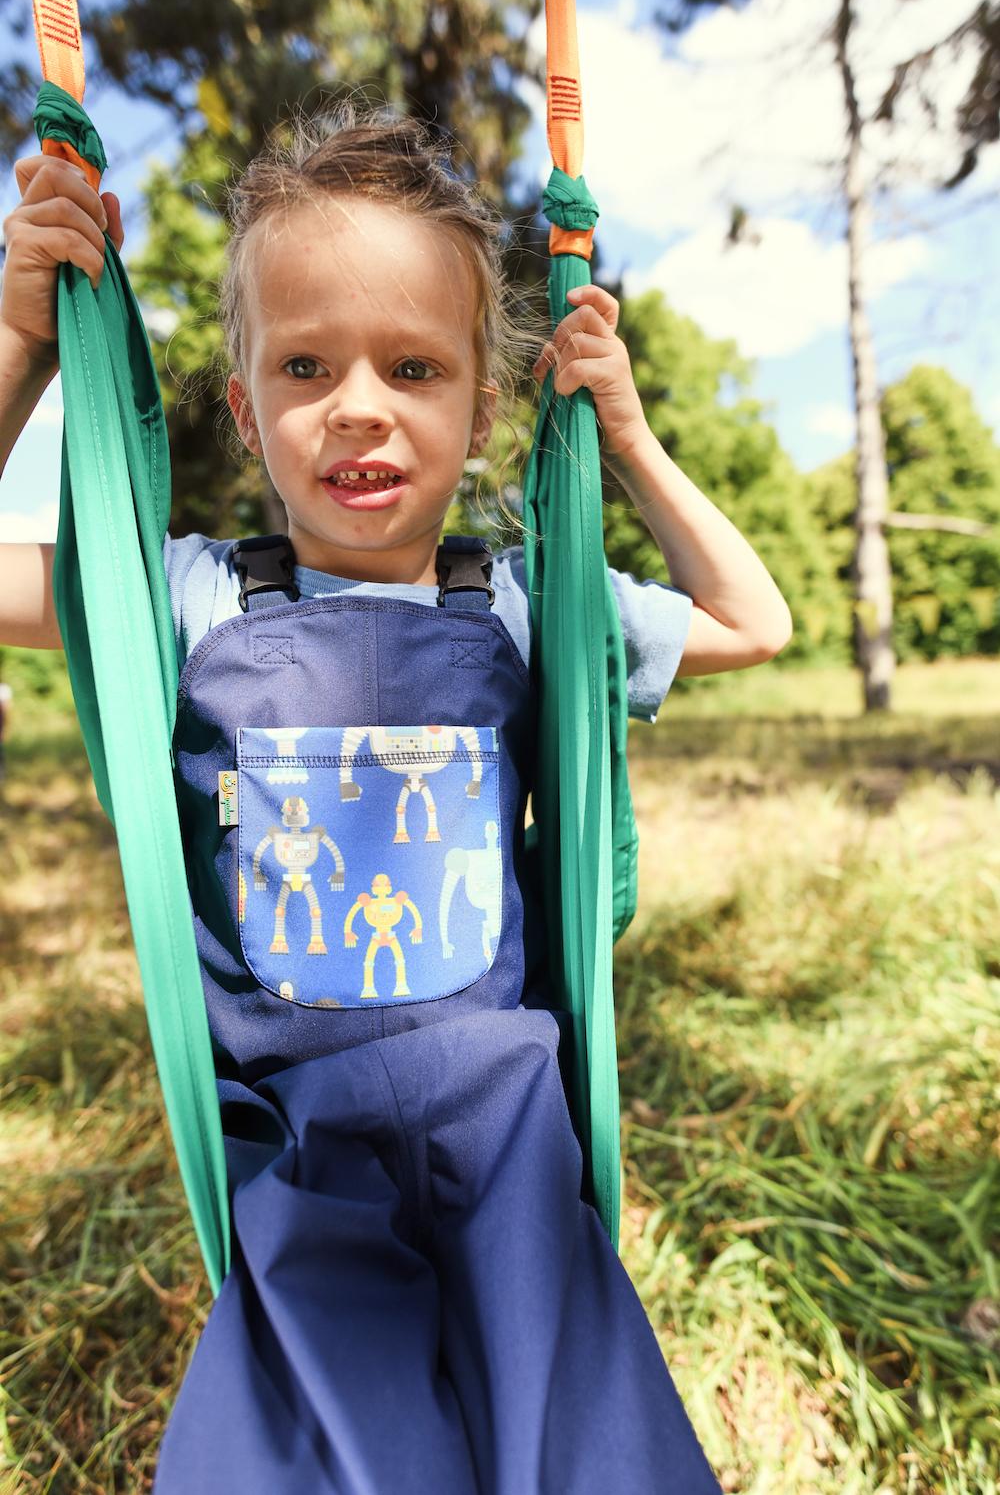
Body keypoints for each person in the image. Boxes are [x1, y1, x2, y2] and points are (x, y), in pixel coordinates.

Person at [0, 101, 792, 1494]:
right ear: (246, 407)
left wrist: (624, 436)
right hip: (295, 1144)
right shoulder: (188, 596)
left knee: (580, 1444)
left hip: (505, 1125)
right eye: (306, 365)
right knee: (310, 1452)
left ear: (479, 409)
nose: (358, 404)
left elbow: (754, 619)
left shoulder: (525, 603)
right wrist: (19, 343)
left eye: (412, 366)